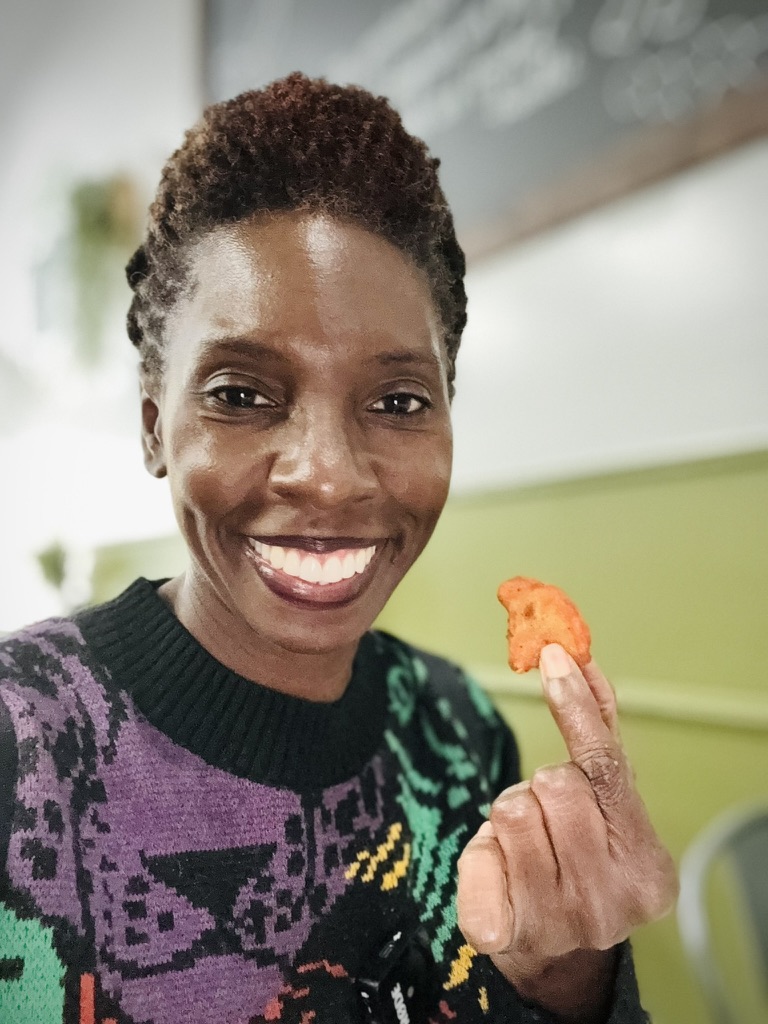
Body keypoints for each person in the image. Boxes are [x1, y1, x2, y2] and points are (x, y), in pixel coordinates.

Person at [0, 74, 676, 1024]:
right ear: (154, 425)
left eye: (398, 402)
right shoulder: (24, 743)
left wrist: (568, 977)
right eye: (241, 394)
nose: (327, 477)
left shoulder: (458, 730)